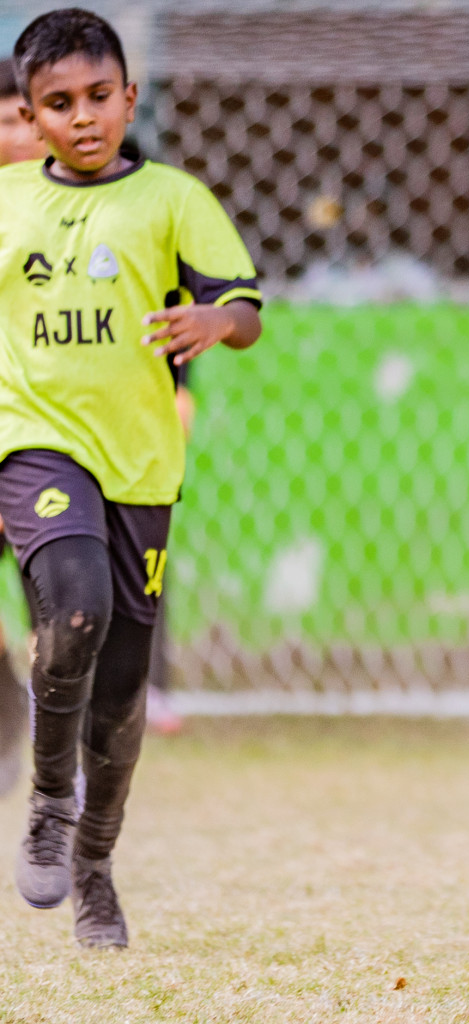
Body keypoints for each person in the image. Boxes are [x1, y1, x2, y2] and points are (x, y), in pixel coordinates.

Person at [3, 8, 262, 947]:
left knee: (119, 687)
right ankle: (45, 800)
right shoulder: (7, 204)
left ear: (129, 98)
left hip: (142, 467)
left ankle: (96, 867)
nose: (82, 118)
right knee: (73, 607)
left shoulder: (172, 199)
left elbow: (244, 307)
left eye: (98, 98)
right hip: (36, 443)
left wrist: (213, 325)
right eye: (58, 104)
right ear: (30, 117)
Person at [0, 57, 49, 796]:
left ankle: (54, 754)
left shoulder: (117, 215)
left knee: (68, 622)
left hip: (59, 451)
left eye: (26, 117)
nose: (18, 134)